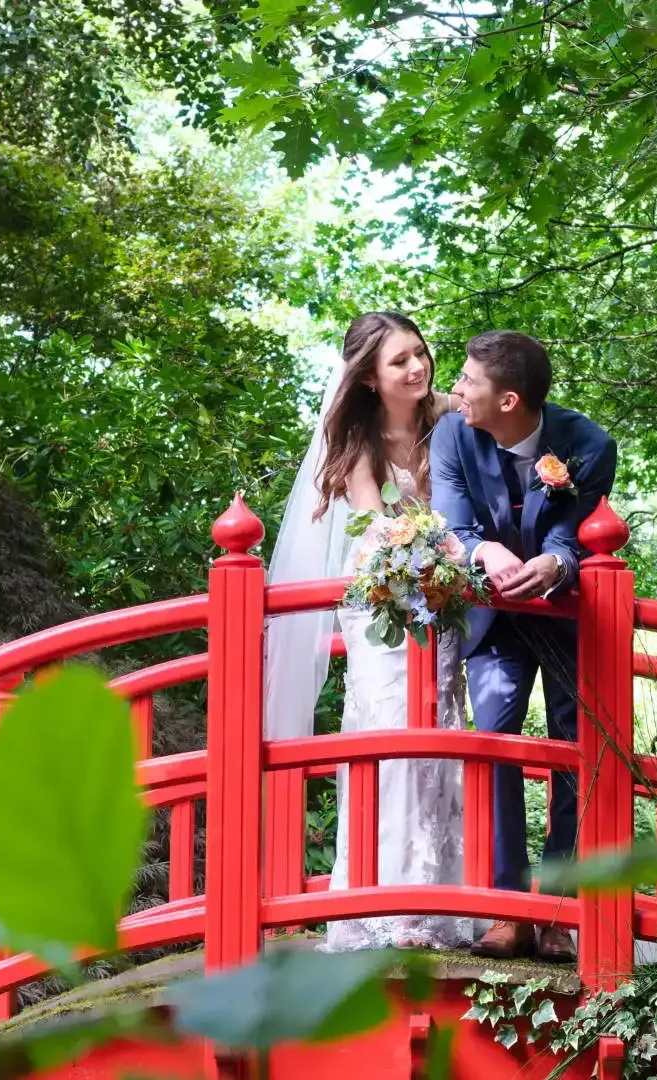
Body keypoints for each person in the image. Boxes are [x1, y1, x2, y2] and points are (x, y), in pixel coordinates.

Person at [264, 311, 474, 952]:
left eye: (421, 353)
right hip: (383, 598)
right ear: (369, 380)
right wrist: (439, 551)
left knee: (441, 730)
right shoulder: (358, 444)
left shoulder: (451, 418)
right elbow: (377, 527)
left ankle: (446, 901)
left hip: (441, 599)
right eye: (399, 361)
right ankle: (378, 903)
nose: (418, 368)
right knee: (388, 735)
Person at [430, 329, 617, 962]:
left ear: (509, 400)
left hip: (565, 614)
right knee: (496, 744)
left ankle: (561, 912)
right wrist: (485, 549)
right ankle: (510, 910)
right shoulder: (456, 432)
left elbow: (578, 534)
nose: (454, 389)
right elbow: (450, 522)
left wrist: (557, 565)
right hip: (495, 619)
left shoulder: (588, 446)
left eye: (466, 381)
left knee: (572, 751)